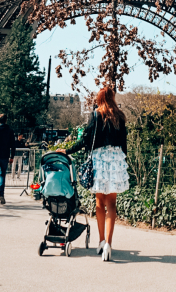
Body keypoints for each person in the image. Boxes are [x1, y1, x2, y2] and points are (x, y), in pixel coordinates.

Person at [65, 87, 128, 262]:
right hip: (116, 159)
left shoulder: (96, 115)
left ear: (99, 99)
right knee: (112, 204)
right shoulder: (120, 116)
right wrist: (122, 161)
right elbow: (124, 143)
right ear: (113, 98)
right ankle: (108, 243)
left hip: (99, 159)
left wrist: (67, 150)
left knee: (99, 203)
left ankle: (101, 241)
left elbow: (85, 139)